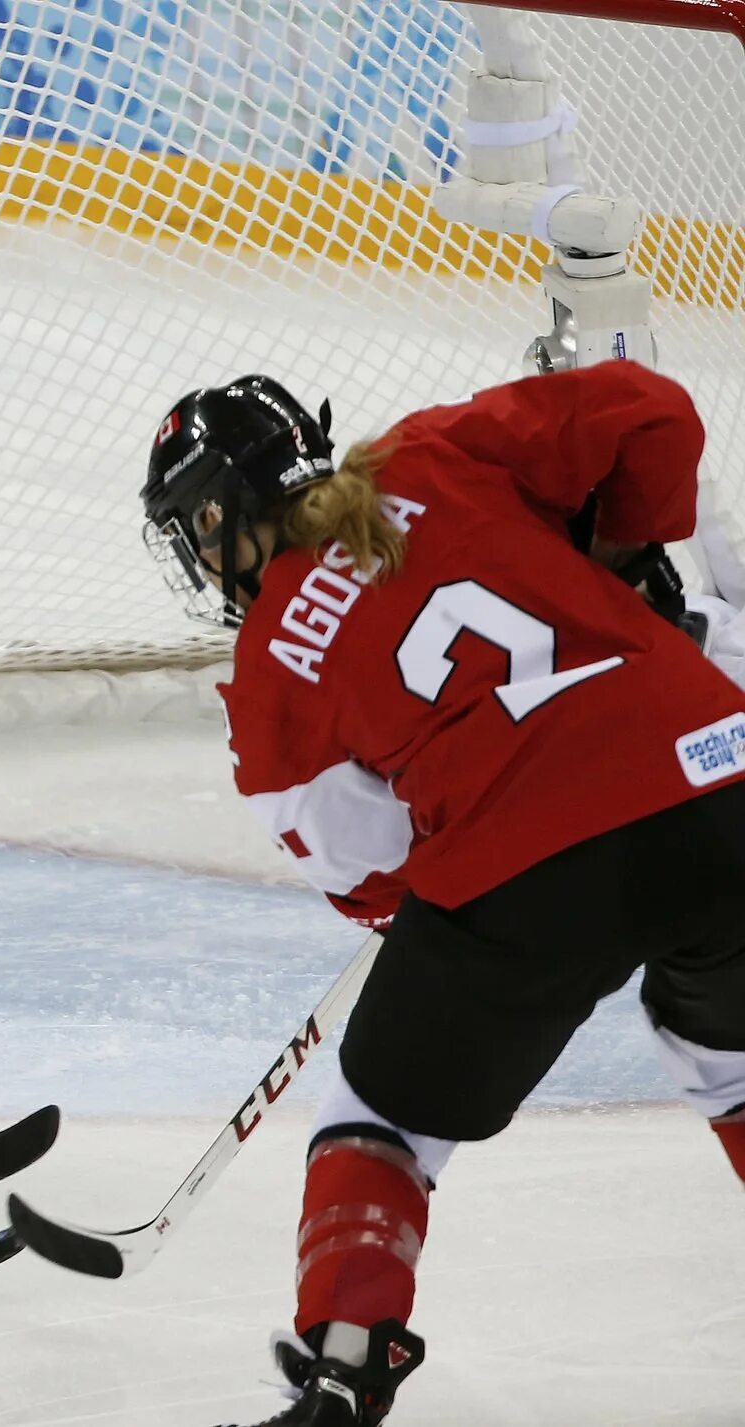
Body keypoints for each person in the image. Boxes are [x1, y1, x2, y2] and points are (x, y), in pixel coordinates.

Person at [138, 364, 745, 1425]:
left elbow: (368, 873)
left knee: (377, 1117)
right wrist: (616, 558)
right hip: (720, 772)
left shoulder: (270, 671)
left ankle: (344, 1369)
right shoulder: (432, 452)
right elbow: (650, 408)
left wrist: (423, 906)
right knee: (727, 1058)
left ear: (215, 511)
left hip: (529, 861)